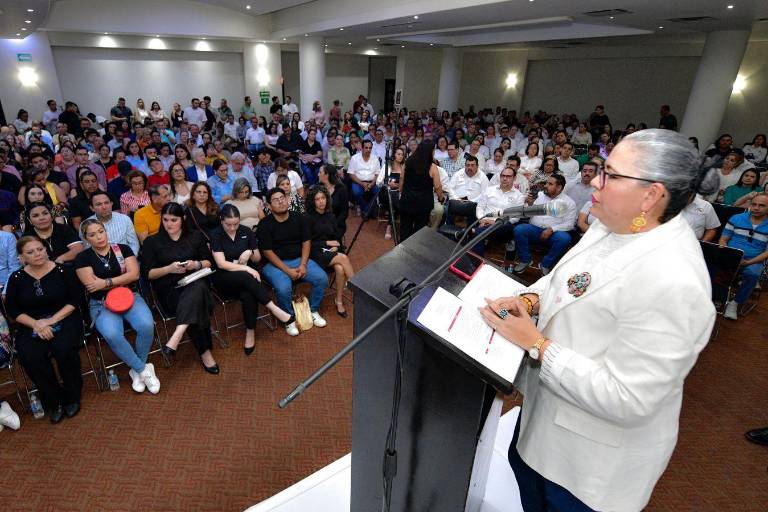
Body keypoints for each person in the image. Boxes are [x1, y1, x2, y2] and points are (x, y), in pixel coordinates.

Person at [478, 129, 716, 512]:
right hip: (543, 425)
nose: (594, 181)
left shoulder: (675, 280)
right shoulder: (612, 226)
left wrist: (535, 344)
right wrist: (529, 299)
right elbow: (563, 279)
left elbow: (629, 397)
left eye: (610, 174)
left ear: (652, 195)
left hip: (588, 466)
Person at [74, 219, 159, 394]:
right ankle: (143, 370)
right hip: (101, 303)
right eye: (92, 234)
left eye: (101, 231)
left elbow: (134, 275)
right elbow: (91, 286)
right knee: (112, 334)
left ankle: (136, 369)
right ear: (86, 239)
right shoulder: (83, 258)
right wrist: (120, 279)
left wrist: (106, 282)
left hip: (129, 296)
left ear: (106, 231)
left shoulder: (122, 249)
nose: (99, 237)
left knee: (146, 325)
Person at [6, 237, 84, 424]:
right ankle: (54, 400)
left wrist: (50, 321)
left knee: (63, 348)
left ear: (46, 249)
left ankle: (72, 395)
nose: (37, 254)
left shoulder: (64, 270)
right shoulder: (16, 278)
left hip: (63, 317)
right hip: (31, 323)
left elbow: (75, 300)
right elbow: (13, 310)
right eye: (30, 252)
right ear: (21, 257)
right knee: (30, 356)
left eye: (39, 249)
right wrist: (36, 324)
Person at [142, 202, 219, 373]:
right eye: (165, 220)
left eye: (174, 220)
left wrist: (195, 264)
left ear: (183, 219)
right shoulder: (152, 242)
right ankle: (205, 353)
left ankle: (178, 334)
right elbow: (148, 274)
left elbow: (209, 262)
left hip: (196, 279)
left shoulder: (195, 236)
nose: (169, 224)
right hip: (170, 290)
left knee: (197, 289)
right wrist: (169, 269)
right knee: (196, 301)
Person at [210, 205, 292, 352]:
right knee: (247, 276)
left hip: (248, 280)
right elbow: (221, 264)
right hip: (224, 279)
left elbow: (257, 258)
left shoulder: (246, 231)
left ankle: (250, 331)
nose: (233, 228)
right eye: (228, 224)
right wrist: (246, 268)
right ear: (221, 221)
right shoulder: (216, 234)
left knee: (249, 293)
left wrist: (249, 252)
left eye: (236, 224)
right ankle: (273, 308)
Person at [258, 187, 328, 336]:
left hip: (299, 259)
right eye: (275, 200)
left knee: (322, 278)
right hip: (274, 264)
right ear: (269, 206)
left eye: (282, 198)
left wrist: (303, 265)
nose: (280, 202)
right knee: (284, 288)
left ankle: (313, 310)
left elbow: (306, 242)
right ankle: (290, 319)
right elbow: (267, 252)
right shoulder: (265, 224)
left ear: (288, 200)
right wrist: (287, 270)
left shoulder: (299, 218)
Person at [512, 173, 577, 275]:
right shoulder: (540, 195)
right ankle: (525, 259)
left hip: (553, 234)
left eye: (550, 184)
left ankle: (545, 264)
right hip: (535, 229)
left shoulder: (569, 202)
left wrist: (552, 229)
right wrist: (530, 204)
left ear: (559, 187)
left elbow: (570, 224)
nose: (546, 185)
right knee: (519, 229)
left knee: (565, 238)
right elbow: (527, 213)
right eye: (546, 182)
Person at [304, 186, 355, 317]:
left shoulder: (330, 215)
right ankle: (357, 289)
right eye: (317, 199)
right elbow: (307, 243)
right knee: (343, 259)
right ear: (312, 201)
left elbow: (336, 239)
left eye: (323, 198)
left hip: (329, 252)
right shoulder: (308, 218)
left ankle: (339, 301)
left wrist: (336, 247)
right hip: (314, 253)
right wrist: (326, 243)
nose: (321, 201)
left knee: (339, 269)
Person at [719, 193, 768, 320]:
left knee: (753, 275)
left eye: (762, 205)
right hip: (731, 255)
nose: (756, 208)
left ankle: (734, 303)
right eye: (754, 204)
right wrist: (730, 254)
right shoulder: (736, 218)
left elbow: (767, 252)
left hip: (753, 261)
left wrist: (748, 262)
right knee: (714, 267)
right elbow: (723, 239)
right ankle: (717, 297)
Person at [470, 167, 526, 256]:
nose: (504, 178)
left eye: (508, 176)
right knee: (479, 233)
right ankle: (477, 260)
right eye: (503, 176)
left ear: (514, 178)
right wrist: (482, 219)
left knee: (478, 232)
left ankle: (473, 232)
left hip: (503, 226)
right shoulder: (489, 190)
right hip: (483, 222)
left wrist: (494, 222)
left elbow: (515, 218)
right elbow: (480, 207)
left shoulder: (519, 196)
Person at [398, 140, 444, 241]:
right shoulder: (432, 167)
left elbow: (401, 178)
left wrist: (401, 191)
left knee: (405, 228)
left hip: (407, 200)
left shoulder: (408, 162)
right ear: (430, 152)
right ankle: (415, 253)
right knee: (419, 230)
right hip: (423, 204)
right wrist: (441, 198)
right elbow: (437, 187)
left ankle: (401, 253)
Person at [318, 164, 349, 235]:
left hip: (337, 224)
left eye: (320, 172)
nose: (318, 174)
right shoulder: (317, 188)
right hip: (320, 223)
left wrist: (334, 224)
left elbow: (344, 212)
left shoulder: (341, 189)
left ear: (326, 175)